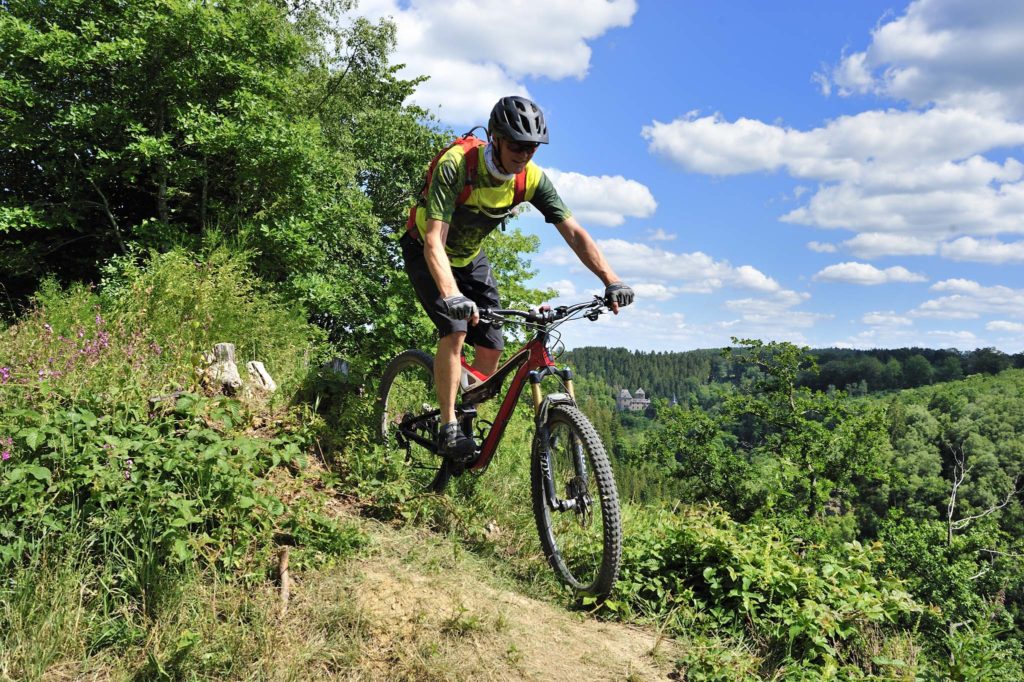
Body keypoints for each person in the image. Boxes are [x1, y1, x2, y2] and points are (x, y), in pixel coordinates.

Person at [400, 95, 635, 462]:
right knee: (456, 329)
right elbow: (434, 240)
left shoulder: (531, 178)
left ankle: (462, 402)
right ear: (495, 138)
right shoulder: (457, 165)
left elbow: (573, 232)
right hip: (426, 250)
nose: (524, 154)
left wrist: (611, 280)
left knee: (492, 347)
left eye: (532, 147)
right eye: (516, 145)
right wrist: (451, 294)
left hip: (470, 257)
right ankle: (448, 426)